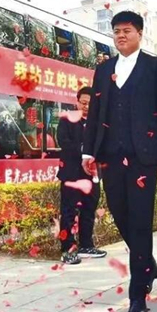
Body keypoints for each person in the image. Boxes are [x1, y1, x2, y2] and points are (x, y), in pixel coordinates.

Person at [81, 10, 157, 312]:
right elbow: (95, 112)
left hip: (144, 156)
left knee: (140, 220)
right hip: (109, 154)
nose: (121, 35)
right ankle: (148, 264)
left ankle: (137, 293)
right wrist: (88, 151)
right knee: (119, 212)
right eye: (116, 31)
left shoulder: (156, 66)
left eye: (127, 30)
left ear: (140, 33)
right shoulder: (103, 70)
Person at [56, 86, 107, 264]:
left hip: (92, 174)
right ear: (77, 102)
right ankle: (67, 249)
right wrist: (86, 152)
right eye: (83, 103)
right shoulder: (67, 119)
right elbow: (64, 142)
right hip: (72, 173)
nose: (86, 107)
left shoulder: (98, 123)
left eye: (90, 104)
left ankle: (86, 245)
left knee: (89, 209)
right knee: (68, 211)